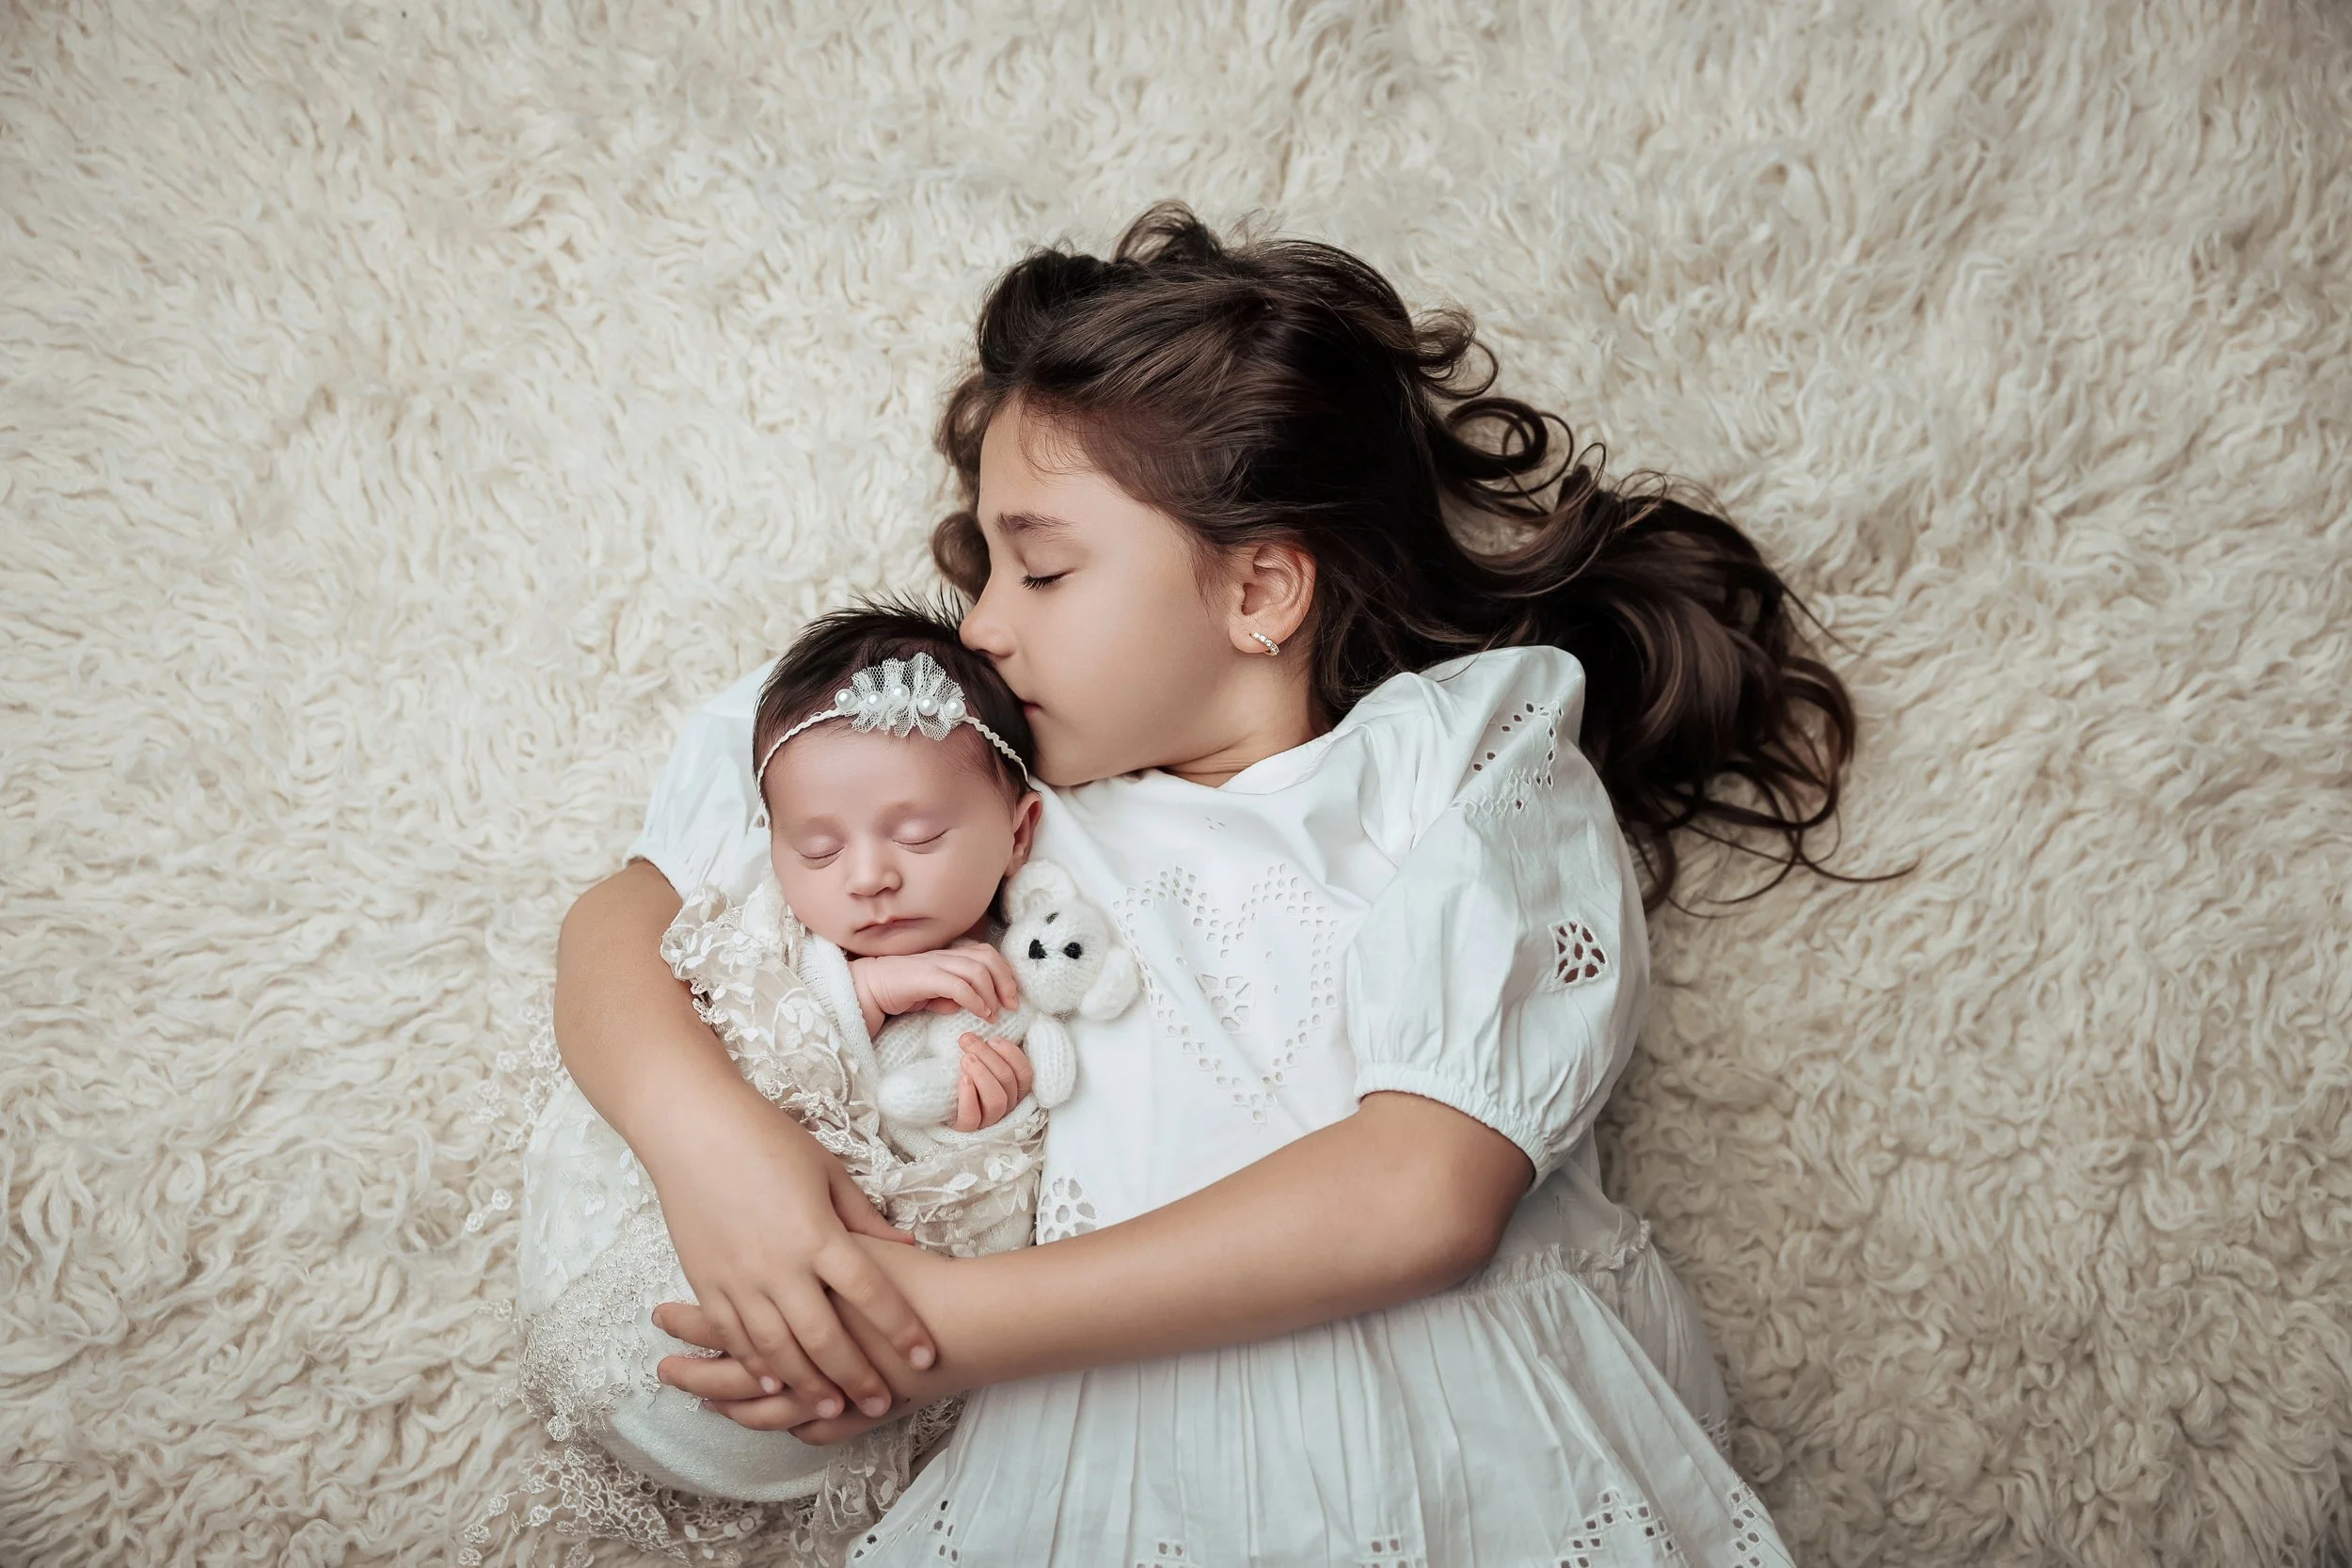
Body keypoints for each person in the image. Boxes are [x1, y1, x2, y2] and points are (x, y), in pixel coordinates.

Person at [556, 205, 1867, 1564]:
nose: (984, 622)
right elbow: (619, 923)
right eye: (986, 562)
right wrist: (722, 1152)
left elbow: (1423, 1190)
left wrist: (926, 1323)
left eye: (1043, 564)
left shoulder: (1460, 762)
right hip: (1103, 1456)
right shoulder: (982, 785)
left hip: (1459, 1447)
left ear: (1262, 588)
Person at [506, 605, 1128, 1554]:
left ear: (1018, 830)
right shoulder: (773, 923)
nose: (869, 876)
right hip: (647, 1257)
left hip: (823, 1392)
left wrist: (978, 1120)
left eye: (918, 836)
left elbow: (982, 1205)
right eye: (819, 848)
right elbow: (734, 1002)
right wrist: (858, 993)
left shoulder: (1021, 972)